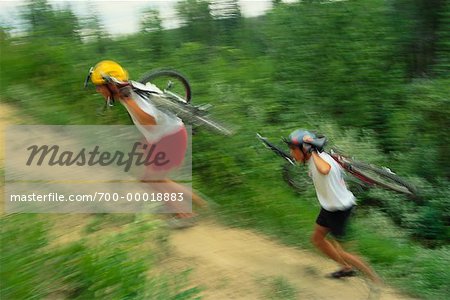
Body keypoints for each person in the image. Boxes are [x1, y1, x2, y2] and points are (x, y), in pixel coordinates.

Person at [88, 60, 206, 227]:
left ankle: (186, 214)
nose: (98, 90)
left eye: (100, 86)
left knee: (153, 180)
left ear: (112, 85)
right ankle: (193, 200)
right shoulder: (131, 89)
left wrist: (129, 101)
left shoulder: (131, 96)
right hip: (161, 137)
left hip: (170, 139)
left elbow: (150, 121)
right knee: (150, 178)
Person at [286, 129, 381, 283]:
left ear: (306, 150)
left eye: (293, 150)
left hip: (338, 209)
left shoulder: (321, 161)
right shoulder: (318, 158)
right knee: (317, 239)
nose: (291, 153)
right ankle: (346, 268)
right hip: (329, 206)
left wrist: (311, 152)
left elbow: (325, 169)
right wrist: (306, 154)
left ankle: (373, 279)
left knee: (343, 252)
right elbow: (315, 164)